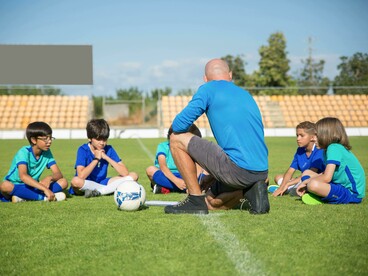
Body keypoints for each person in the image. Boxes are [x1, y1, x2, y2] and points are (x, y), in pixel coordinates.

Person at [164, 58, 269, 215]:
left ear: (205, 79)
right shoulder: (245, 94)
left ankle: (194, 200)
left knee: (176, 138)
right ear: (230, 75)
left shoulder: (207, 89)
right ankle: (252, 190)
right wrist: (212, 173)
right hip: (261, 171)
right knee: (212, 203)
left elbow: (178, 126)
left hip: (237, 170)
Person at [296, 117, 366, 205]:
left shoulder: (334, 148)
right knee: (307, 173)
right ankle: (316, 194)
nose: (313, 139)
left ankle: (319, 196)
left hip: (352, 194)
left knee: (313, 185)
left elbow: (326, 178)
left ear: (326, 135)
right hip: (339, 185)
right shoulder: (328, 150)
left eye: (316, 135)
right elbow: (325, 173)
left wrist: (305, 183)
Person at [0, 121, 68, 203]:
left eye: (50, 138)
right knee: (5, 186)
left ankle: (23, 197)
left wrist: (49, 178)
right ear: (34, 140)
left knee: (63, 182)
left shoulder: (47, 152)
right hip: (16, 185)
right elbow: (23, 176)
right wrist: (44, 189)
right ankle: (44, 198)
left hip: (33, 185)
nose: (49, 141)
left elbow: (58, 174)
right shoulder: (23, 152)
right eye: (45, 139)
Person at [69, 119, 138, 197]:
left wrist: (106, 157)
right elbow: (81, 176)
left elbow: (125, 173)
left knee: (133, 176)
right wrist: (96, 159)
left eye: (104, 139)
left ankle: (99, 192)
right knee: (75, 181)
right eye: (98, 139)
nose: (102, 143)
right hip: (85, 183)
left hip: (101, 183)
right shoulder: (83, 150)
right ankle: (107, 190)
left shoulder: (109, 149)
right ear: (89, 138)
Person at [270, 121, 325, 197]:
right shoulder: (300, 150)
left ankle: (290, 189)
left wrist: (289, 183)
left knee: (307, 185)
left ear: (312, 137)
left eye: (302, 135)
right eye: (297, 135)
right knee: (278, 177)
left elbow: (311, 173)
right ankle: (286, 189)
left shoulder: (319, 150)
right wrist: (282, 186)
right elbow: (290, 171)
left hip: (314, 180)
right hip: (301, 180)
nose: (298, 139)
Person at [146, 124, 203, 194]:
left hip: (186, 176)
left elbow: (198, 167)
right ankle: (187, 188)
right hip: (168, 176)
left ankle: (166, 188)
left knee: (207, 172)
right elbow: (163, 167)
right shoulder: (163, 146)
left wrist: (195, 181)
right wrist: (177, 181)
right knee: (150, 170)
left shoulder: (190, 148)